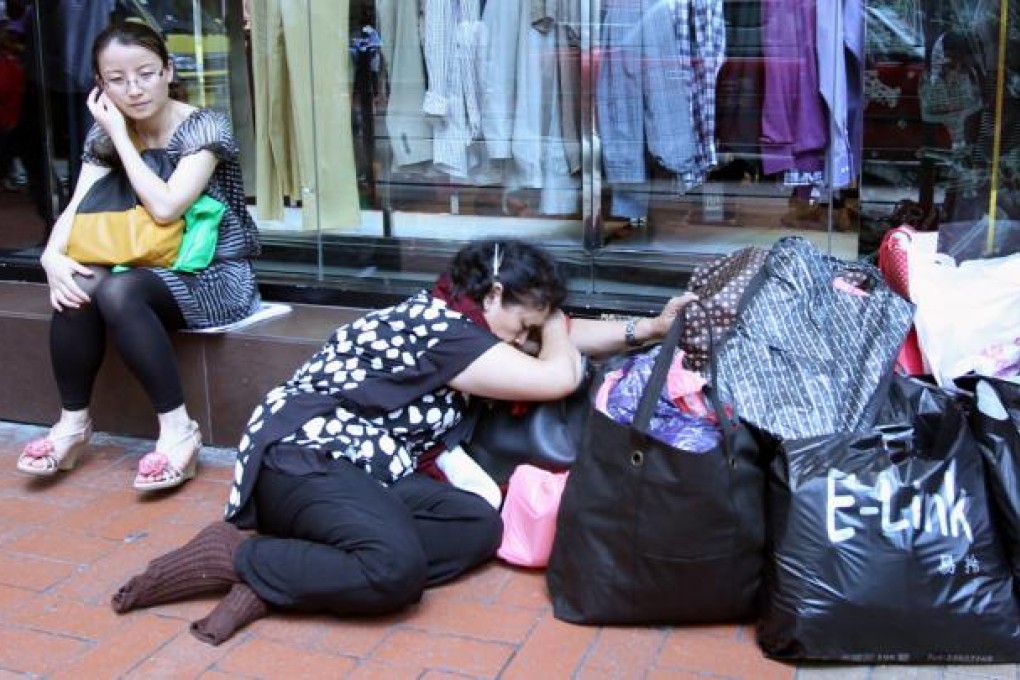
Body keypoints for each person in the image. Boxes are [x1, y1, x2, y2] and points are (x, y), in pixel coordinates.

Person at [107, 239, 693, 645]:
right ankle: (237, 557)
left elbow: (558, 343)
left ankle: (291, 571)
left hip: (370, 470)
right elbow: (558, 373)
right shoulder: (448, 335)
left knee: (477, 526)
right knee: (393, 572)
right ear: (491, 296)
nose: (529, 337)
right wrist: (558, 322)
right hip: (306, 456)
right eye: (526, 323)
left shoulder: (461, 319)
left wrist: (649, 328)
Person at [15, 21, 261, 491]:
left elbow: (167, 208)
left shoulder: (205, 126)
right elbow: (78, 206)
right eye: (117, 79)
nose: (134, 89)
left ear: (168, 70)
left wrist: (122, 138)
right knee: (81, 282)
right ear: (100, 85)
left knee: (120, 289)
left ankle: (178, 430)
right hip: (140, 264)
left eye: (146, 73)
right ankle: (72, 422)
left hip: (214, 275)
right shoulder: (105, 133)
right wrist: (51, 256)